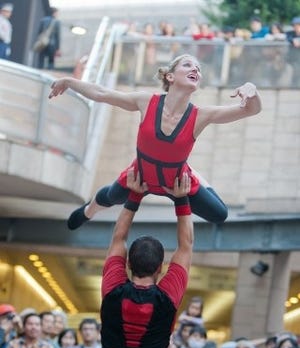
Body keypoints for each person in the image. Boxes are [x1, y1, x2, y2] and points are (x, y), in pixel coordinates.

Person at [49, 53, 262, 230]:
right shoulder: (146, 101)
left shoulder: (201, 115)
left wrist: (251, 91)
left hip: (178, 182)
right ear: (170, 76)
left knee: (220, 214)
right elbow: (102, 93)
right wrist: (69, 81)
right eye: (188, 65)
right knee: (112, 196)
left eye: (198, 68)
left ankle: (193, 172)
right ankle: (88, 211)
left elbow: (251, 110)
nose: (196, 70)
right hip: (140, 175)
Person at [80, 171, 194, 348]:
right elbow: (186, 245)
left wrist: (134, 195)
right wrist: (182, 200)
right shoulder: (168, 296)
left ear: (128, 264)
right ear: (160, 269)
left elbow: (117, 239)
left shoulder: (113, 288)